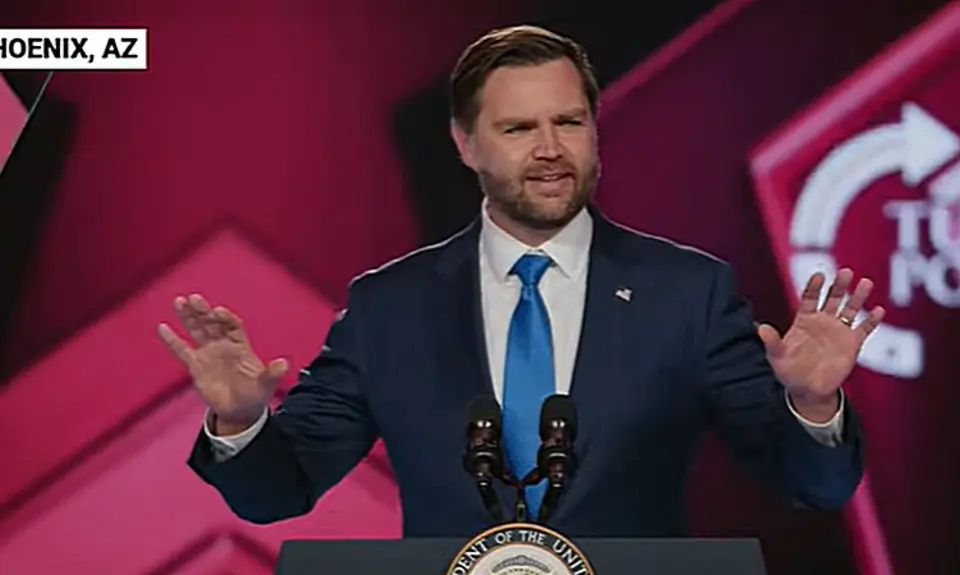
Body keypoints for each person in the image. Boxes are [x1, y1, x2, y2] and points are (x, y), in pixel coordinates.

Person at [159, 25, 882, 539]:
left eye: (568, 121)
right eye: (517, 129)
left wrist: (813, 406)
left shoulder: (687, 292)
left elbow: (811, 485)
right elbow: (277, 492)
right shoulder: (390, 306)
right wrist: (239, 422)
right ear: (465, 144)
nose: (548, 149)